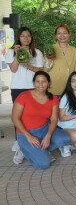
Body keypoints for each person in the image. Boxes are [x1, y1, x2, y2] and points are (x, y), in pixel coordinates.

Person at [11, 71, 70, 170]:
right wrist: (28, 136)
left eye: (44, 81)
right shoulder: (24, 96)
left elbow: (54, 119)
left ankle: (40, 149)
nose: (40, 84)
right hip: (25, 133)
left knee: (65, 138)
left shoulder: (53, 98)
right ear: (34, 83)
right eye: (37, 81)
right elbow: (14, 118)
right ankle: (24, 149)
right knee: (43, 164)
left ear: (48, 83)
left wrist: (48, 135)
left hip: (44, 129)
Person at [6, 27, 44, 164]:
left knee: (33, 116)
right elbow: (13, 69)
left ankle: (32, 140)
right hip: (17, 88)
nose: (26, 38)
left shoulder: (37, 52)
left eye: (28, 36)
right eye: (23, 36)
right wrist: (17, 54)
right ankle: (19, 142)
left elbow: (40, 70)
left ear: (31, 37)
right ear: (18, 37)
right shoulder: (11, 51)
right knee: (18, 117)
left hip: (33, 88)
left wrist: (28, 65)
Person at [45, 24, 76, 96]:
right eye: (59, 33)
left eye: (64, 33)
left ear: (69, 34)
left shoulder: (74, 50)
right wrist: (49, 60)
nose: (62, 36)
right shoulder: (50, 48)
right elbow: (45, 70)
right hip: (54, 86)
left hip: (69, 86)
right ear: (55, 36)